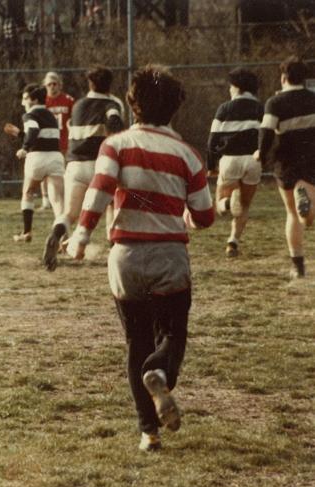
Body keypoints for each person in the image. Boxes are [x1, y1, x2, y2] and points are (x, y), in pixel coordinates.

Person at [71, 65, 214, 451]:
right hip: (169, 254)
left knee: (136, 341)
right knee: (172, 336)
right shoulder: (187, 153)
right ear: (175, 108)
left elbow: (99, 189)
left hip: (125, 256)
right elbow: (204, 216)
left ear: (132, 104)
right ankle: (160, 372)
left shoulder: (115, 145)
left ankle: (148, 433)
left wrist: (81, 235)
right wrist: (185, 214)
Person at [256, 56, 315, 279]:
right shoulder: (313, 99)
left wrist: (260, 155)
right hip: (311, 159)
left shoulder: (275, 103)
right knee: (308, 216)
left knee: (292, 214)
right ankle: (308, 206)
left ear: (283, 78)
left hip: (286, 162)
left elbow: (267, 132)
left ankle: (298, 267)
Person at [61, 65, 125, 259]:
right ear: (109, 85)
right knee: (112, 202)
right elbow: (115, 124)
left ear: (90, 83)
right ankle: (112, 241)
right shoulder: (112, 104)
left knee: (72, 212)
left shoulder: (78, 105)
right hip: (100, 163)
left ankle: (65, 238)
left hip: (73, 162)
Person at [207, 68, 263, 258]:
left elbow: (212, 140)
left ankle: (229, 203)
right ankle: (233, 242)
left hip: (229, 160)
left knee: (220, 205)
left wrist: (210, 165)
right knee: (245, 205)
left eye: (231, 86)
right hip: (253, 160)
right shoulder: (260, 108)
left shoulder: (224, 108)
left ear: (237, 87)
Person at [11, 83, 66, 271]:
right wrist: (20, 134)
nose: (23, 101)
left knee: (28, 193)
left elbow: (33, 131)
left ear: (34, 100)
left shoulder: (29, 114)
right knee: (58, 201)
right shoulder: (51, 114)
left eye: (25, 98)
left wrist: (24, 148)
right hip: (56, 157)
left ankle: (26, 232)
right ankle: (62, 237)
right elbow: (41, 134)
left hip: (37, 157)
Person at [40, 71, 74, 210]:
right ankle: (45, 200)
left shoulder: (68, 100)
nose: (52, 87)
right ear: (45, 86)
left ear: (60, 85)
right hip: (46, 142)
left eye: (55, 84)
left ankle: (65, 198)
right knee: (43, 171)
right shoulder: (42, 101)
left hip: (63, 141)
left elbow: (73, 119)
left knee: (65, 171)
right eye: (49, 84)